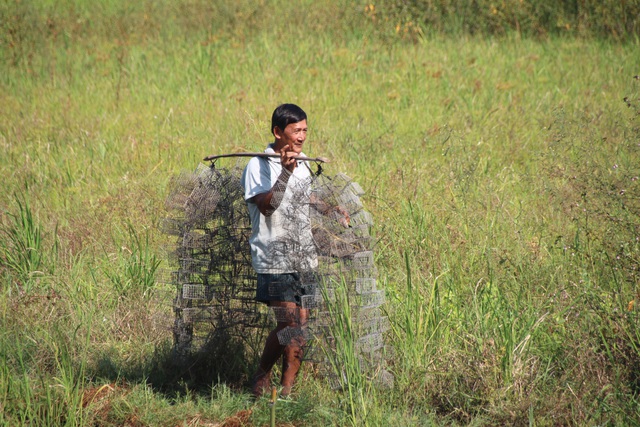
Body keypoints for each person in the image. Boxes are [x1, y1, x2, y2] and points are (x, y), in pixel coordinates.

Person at [241, 103, 347, 398]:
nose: (301, 137)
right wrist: (285, 173)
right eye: (295, 130)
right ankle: (262, 374)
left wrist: (330, 209)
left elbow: (306, 196)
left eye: (305, 130)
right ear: (277, 132)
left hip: (304, 258)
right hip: (274, 259)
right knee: (289, 326)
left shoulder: (304, 163)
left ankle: (287, 395)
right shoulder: (258, 165)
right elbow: (266, 206)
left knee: (301, 328)